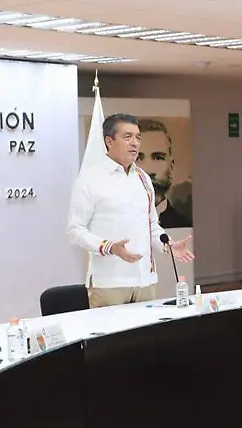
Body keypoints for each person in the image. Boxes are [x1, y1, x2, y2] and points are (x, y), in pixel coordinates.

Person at [67, 113, 193, 308]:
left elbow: (151, 226)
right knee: (110, 339)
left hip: (145, 281)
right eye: (127, 137)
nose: (135, 143)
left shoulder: (142, 178)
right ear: (109, 141)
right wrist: (109, 247)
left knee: (146, 338)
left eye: (138, 137)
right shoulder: (90, 179)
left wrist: (168, 245)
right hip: (109, 284)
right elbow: (74, 231)